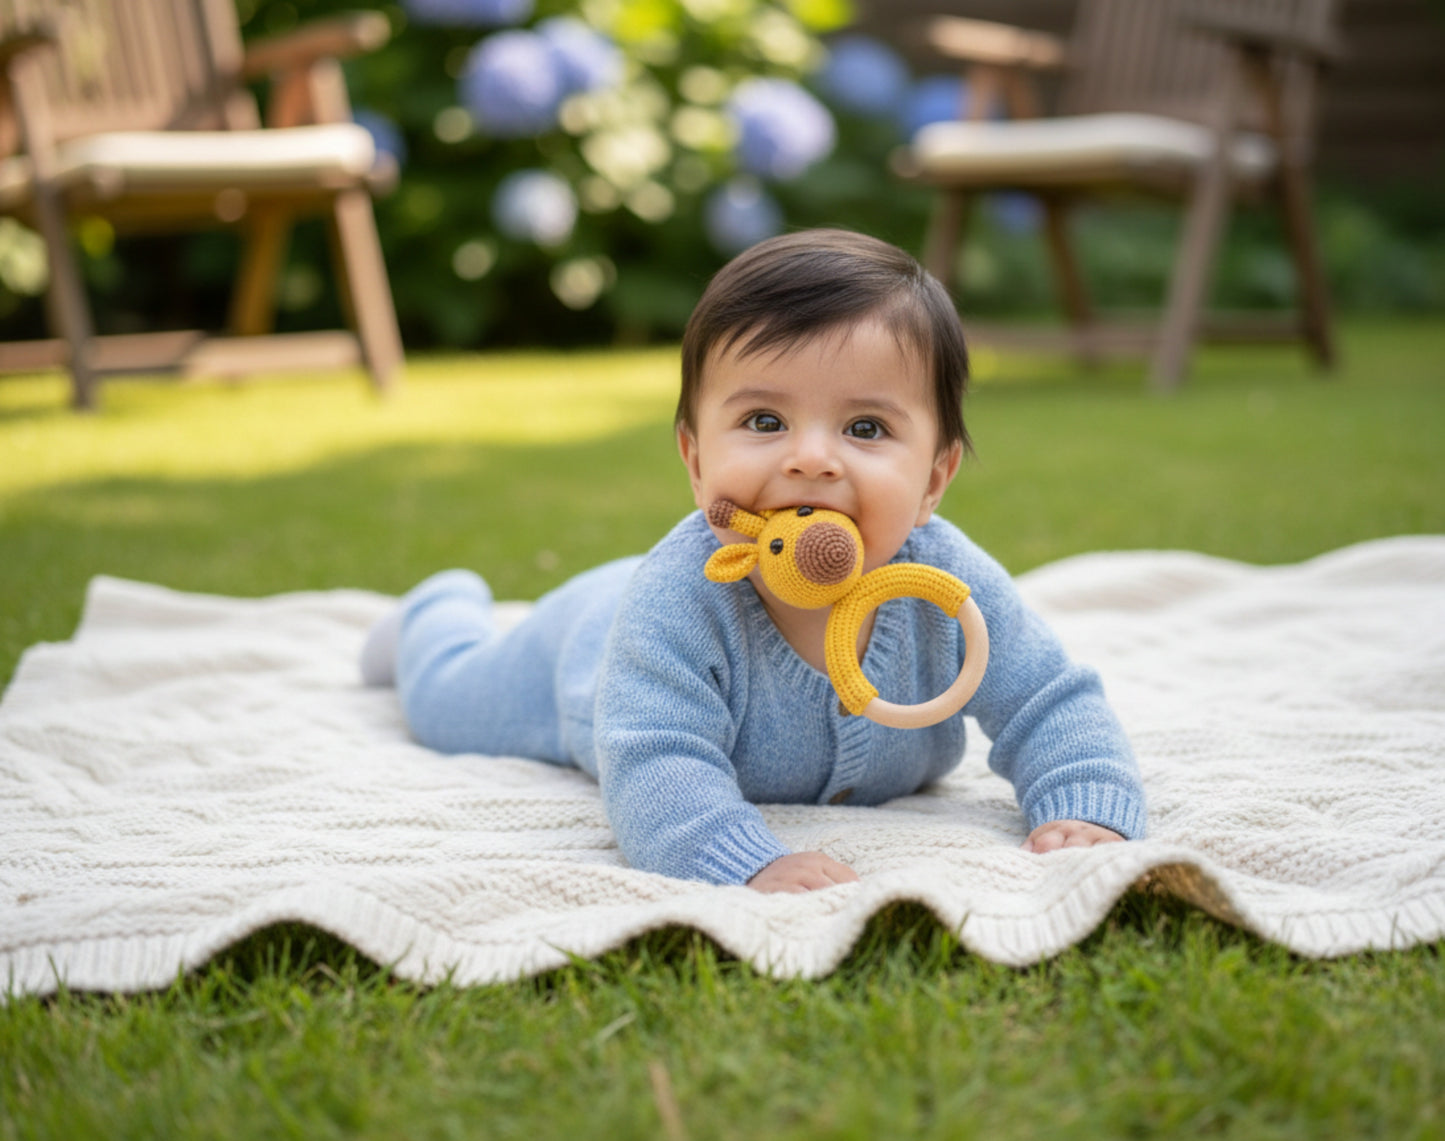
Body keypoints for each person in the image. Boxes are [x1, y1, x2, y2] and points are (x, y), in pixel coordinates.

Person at [361, 229, 1146, 893]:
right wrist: (742, 862)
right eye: (764, 419)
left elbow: (1047, 696)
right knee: (443, 700)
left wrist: (1081, 799)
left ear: (934, 479)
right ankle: (434, 611)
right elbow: (652, 756)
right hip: (584, 647)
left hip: (633, 615)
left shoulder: (946, 585)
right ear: (696, 460)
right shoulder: (677, 598)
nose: (810, 459)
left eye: (866, 429)